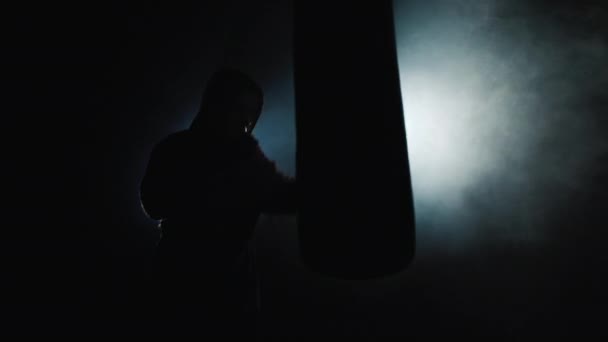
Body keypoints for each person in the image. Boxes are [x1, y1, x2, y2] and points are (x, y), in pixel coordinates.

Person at [139, 67, 296, 336]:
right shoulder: (175, 149)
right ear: (215, 105)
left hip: (234, 288)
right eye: (238, 108)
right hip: (179, 282)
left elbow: (282, 196)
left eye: (251, 112)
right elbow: (153, 203)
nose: (245, 120)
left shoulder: (248, 161)